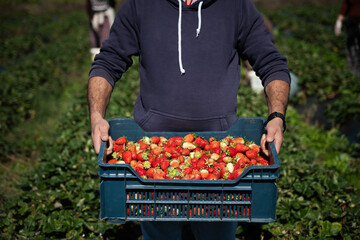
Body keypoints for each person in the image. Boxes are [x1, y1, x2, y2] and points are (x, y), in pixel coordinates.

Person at [88, 0, 290, 239]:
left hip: (220, 160)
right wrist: (96, 115)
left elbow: (271, 62)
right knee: (160, 234)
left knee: (216, 234)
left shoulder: (235, 6)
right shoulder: (141, 4)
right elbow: (108, 61)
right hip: (152, 156)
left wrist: (276, 116)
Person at [335, 0, 360, 77]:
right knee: (350, 45)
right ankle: (352, 72)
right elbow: (345, 6)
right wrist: (339, 21)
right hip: (352, 21)